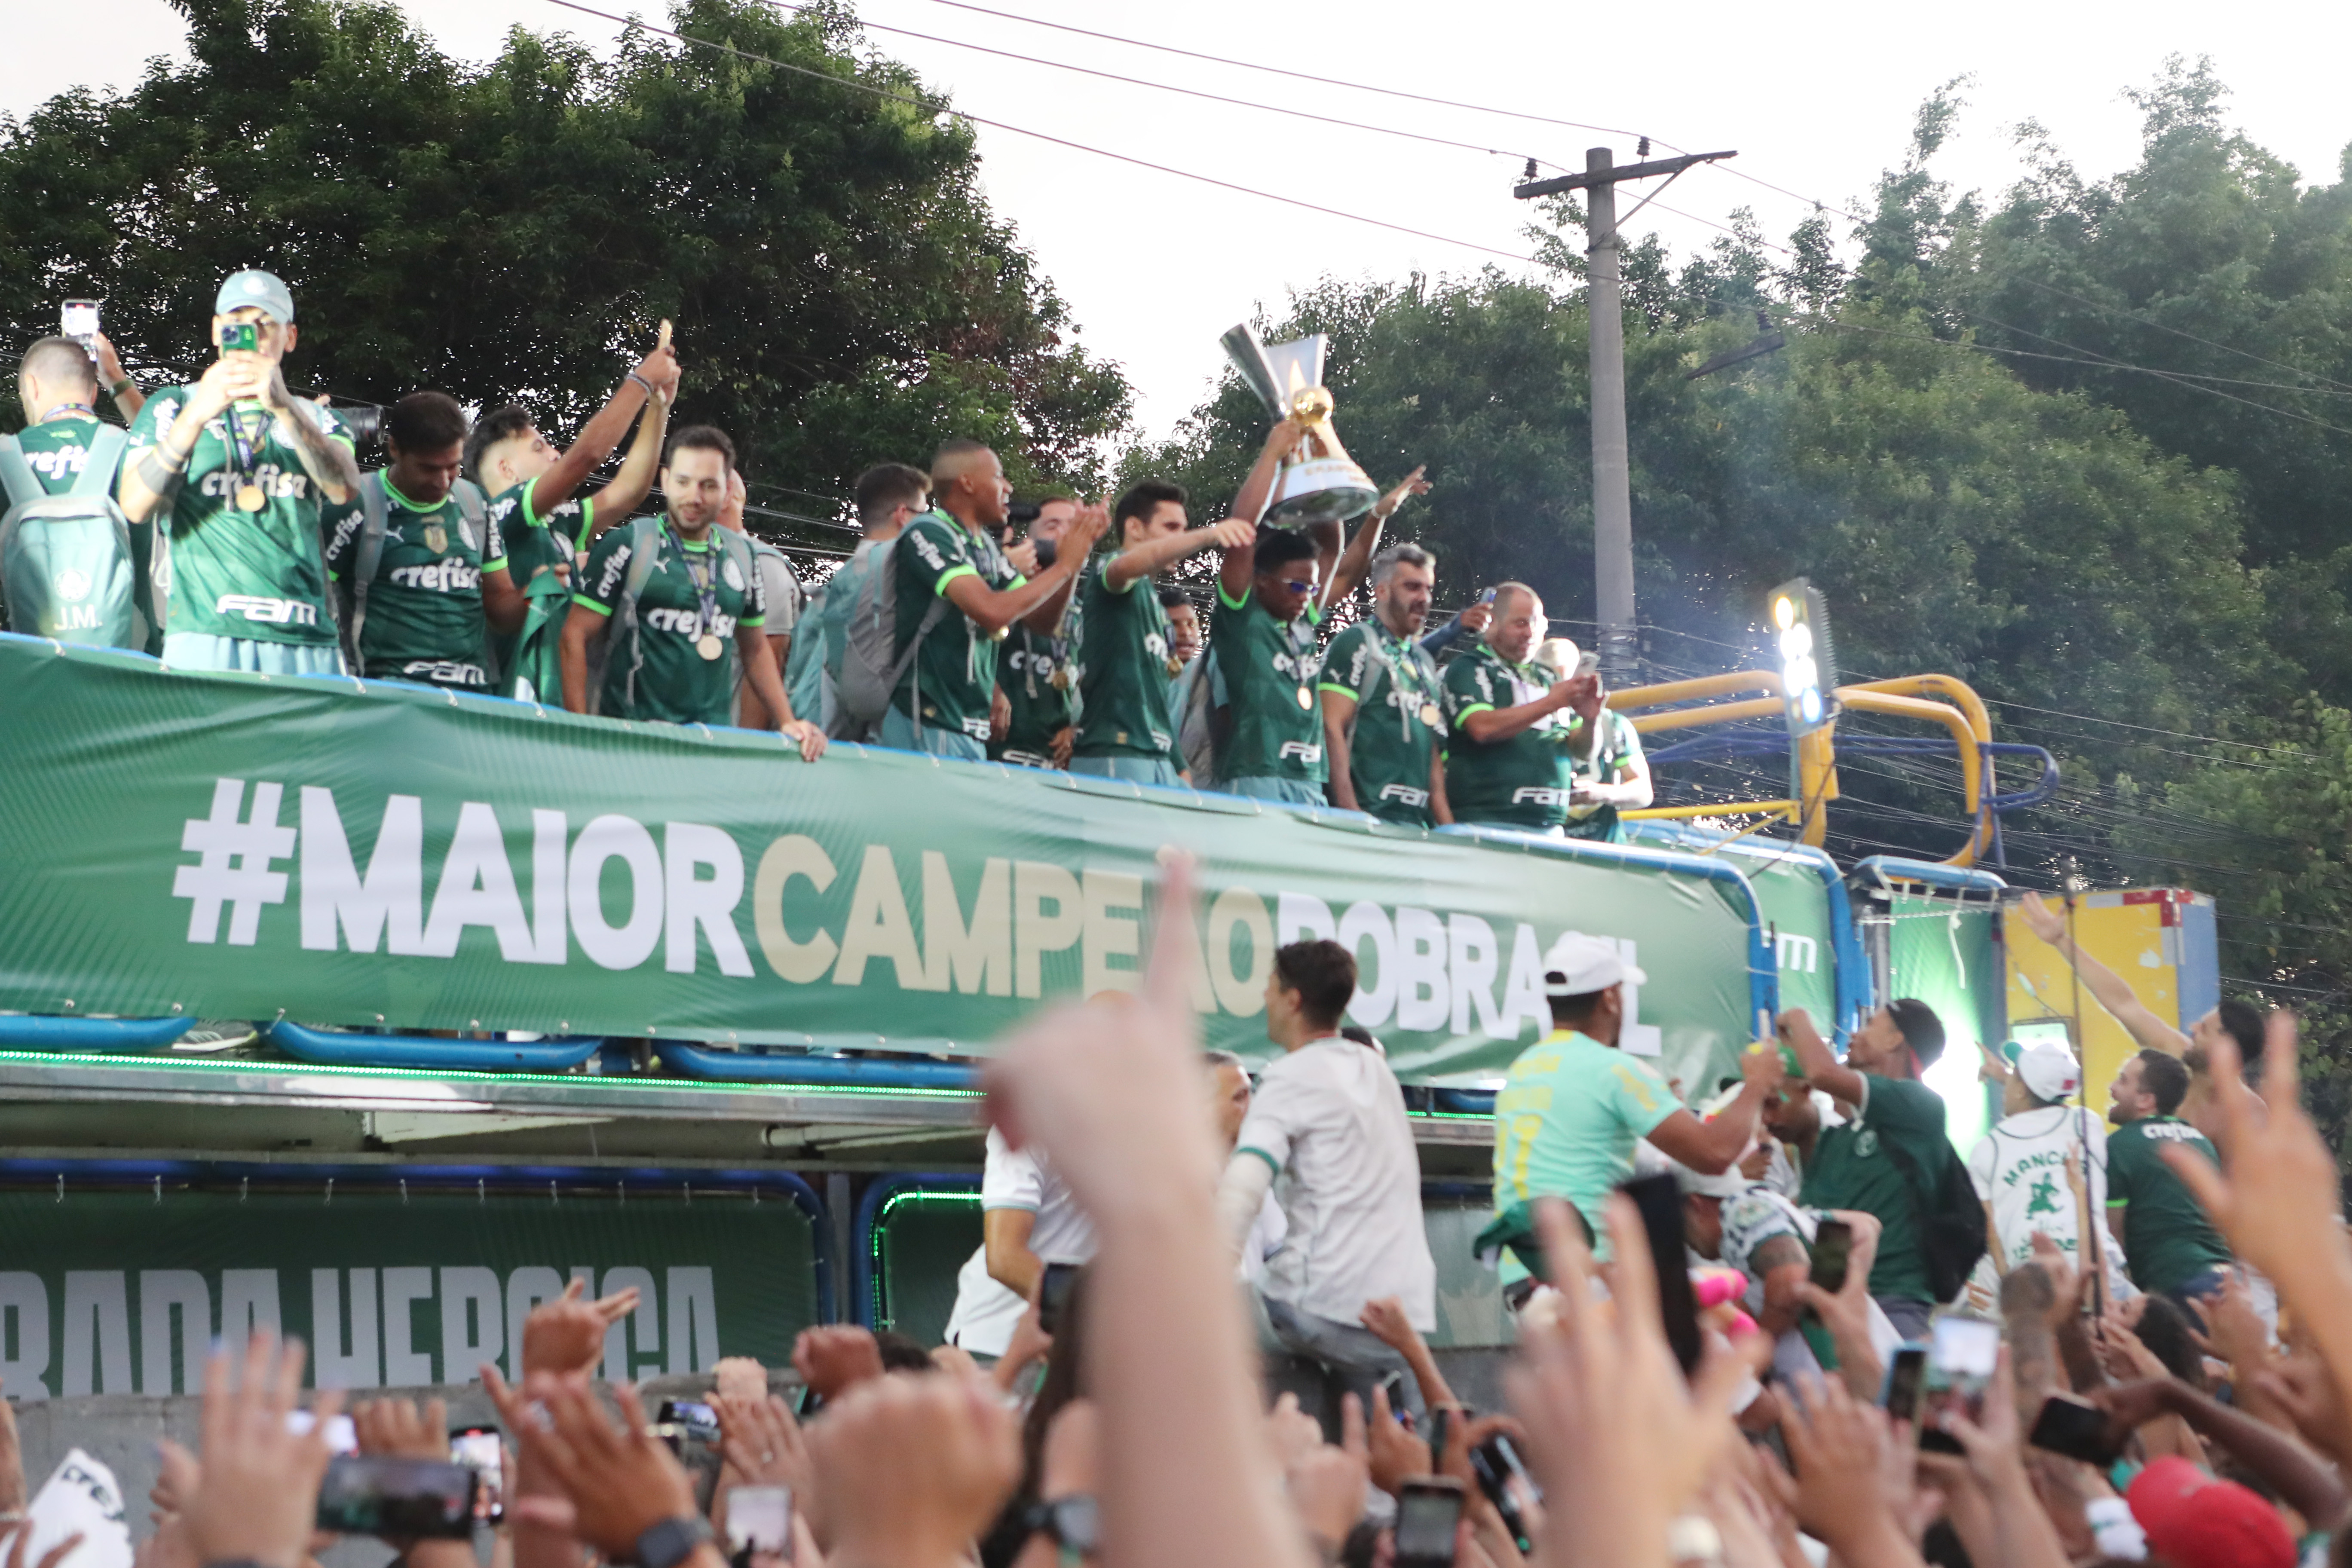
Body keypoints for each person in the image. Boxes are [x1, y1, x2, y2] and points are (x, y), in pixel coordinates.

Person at [1212, 939, 1434, 1419]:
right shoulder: (1378, 1071)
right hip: (1403, 1314)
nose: (1265, 1000)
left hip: (1319, 1311)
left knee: (1212, 1308)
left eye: (1270, 989)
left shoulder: (1289, 1077)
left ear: (1292, 1000)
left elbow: (1245, 1184)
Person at [1488, 934, 1776, 1294]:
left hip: (1522, 1275)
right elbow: (1714, 1155)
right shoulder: (1617, 1071)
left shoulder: (1522, 1070)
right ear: (1610, 998)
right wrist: (1757, 1084)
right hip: (1586, 1275)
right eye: (1623, 992)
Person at [118, 267, 361, 673]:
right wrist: (197, 416)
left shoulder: (319, 418)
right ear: (216, 331)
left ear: (291, 337)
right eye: (236, 324)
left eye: (265, 325)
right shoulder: (175, 405)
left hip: (303, 635)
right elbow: (134, 505)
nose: (251, 337)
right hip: (205, 632)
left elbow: (345, 489)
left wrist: (284, 405)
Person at [560, 426, 823, 758]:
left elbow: (756, 650)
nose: (694, 497)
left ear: (727, 490)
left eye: (708, 486)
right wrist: (578, 727)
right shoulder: (629, 544)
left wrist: (787, 721)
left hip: (706, 748)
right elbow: (573, 635)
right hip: (630, 744)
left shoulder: (744, 558)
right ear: (666, 480)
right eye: (683, 482)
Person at [1205, 429, 1415, 802]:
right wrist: (1274, 453)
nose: (1307, 598)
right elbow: (1242, 530)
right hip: (1256, 777)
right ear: (1263, 582)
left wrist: (1317, 467)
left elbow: (1339, 561)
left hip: (1309, 782)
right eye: (1297, 587)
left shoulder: (1301, 624)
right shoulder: (1243, 618)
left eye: (1313, 589)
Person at [883, 440, 1102, 760]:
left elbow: (1041, 621)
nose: (1008, 487)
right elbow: (991, 612)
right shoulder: (928, 532)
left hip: (970, 728)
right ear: (967, 482)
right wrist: (1066, 565)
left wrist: (1071, 565)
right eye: (999, 476)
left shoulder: (985, 546)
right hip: (927, 720)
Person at [2015, 890, 2263, 1148]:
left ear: (2227, 1049)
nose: (2192, 1028)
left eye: (2204, 1029)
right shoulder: (2177, 1053)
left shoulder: (2247, 1114)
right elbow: (2123, 1004)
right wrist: (2061, 941)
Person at [323, 391, 524, 689]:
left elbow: (500, 606)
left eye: (454, 466)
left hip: (472, 697)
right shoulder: (354, 504)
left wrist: (534, 596)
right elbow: (311, 596)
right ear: (394, 448)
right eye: (430, 468)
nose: (444, 481)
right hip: (387, 697)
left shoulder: (475, 503)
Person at [1780, 1001, 1952, 1341]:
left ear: (1894, 1041)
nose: (1855, 1034)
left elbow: (1822, 1073)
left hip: (1892, 1303)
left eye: (1870, 1024)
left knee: (1891, 1392)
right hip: (1829, 1306)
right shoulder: (1838, 1138)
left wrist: (1798, 1018)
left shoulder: (1921, 1106)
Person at [470, 330, 680, 596]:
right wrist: (641, 381)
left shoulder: (555, 521)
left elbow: (629, 491)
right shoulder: (498, 517)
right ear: (507, 469)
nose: (555, 454)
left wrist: (659, 407)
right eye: (539, 448)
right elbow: (586, 457)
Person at [1069, 480, 1252, 785]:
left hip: (1158, 759)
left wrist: (1178, 765)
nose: (1182, 538)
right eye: (1171, 527)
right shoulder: (1111, 569)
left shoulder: (1155, 605)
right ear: (1135, 529)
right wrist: (1208, 534)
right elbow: (1125, 568)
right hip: (1116, 752)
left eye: (1185, 529)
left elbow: (1155, 699)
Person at [4, 333, 156, 649]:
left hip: (30, 670)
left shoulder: (6, 458)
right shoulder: (133, 451)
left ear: (31, 386)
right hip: (129, 666)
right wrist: (117, 377)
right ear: (94, 392)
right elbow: (171, 447)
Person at [1962, 1038, 2131, 1312]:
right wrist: (2011, 1080)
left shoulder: (1987, 1148)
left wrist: (2010, 1298)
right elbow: (2047, 1104)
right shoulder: (2088, 1124)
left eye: (2014, 1077)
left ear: (2021, 1091)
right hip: (2100, 1283)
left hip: (2033, 1288)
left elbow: (1992, 1233)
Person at [788, 460, 929, 732]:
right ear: (903, 514)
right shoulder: (892, 572)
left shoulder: (845, 578)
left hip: (811, 727)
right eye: (922, 515)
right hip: (852, 741)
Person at [1318, 542, 1451, 825]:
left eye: (1428, 589)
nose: (1425, 598)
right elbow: (1331, 725)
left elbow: (1432, 750)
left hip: (1417, 825)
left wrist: (1446, 827)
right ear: (1382, 591)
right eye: (1413, 587)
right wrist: (1348, 811)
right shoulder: (1357, 642)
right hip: (1367, 818)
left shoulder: (1424, 661)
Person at [1440, 583, 1589, 833]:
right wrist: (1550, 703)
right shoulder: (1469, 667)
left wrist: (1592, 721)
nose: (1530, 633)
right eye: (1520, 624)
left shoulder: (1549, 678)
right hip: (1485, 823)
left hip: (1549, 825)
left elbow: (1582, 750)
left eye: (1536, 623)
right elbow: (1482, 728)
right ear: (1492, 624)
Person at [943, 1125, 1097, 1360]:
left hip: (1084, 1352)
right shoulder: (1030, 1126)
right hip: (995, 1348)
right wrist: (1099, 1319)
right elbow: (1005, 1259)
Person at [2107, 1046, 2235, 1305]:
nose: (2112, 1088)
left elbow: (2114, 1240)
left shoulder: (2120, 1145)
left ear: (2145, 1100)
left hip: (2174, 1286)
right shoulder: (2201, 1142)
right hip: (2227, 1282)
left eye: (2123, 1080)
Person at [713, 469, 804, 729]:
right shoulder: (683, 559)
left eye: (704, 484)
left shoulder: (762, 564)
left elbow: (768, 660)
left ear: (727, 494)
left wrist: (745, 752)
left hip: (727, 744)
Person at [995, 496, 1081, 769]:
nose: (1064, 533)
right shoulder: (1001, 588)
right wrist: (993, 692)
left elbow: (1096, 679)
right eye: (1052, 525)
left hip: (1053, 760)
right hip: (996, 748)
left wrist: (1077, 726)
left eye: (1072, 526)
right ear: (1029, 539)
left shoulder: (1083, 611)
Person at [1204, 1048, 1286, 1284]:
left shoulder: (1251, 1174)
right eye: (1239, 1097)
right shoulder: (1168, 1183)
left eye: (1252, 1095)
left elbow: (1278, 1250)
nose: (1253, 1107)